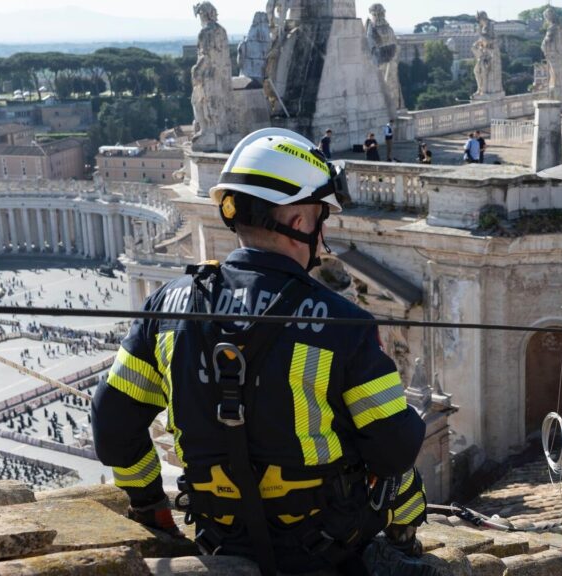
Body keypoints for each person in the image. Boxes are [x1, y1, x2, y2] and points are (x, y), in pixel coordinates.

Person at [92, 128, 429, 576]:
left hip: (220, 540)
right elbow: (394, 450)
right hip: (328, 551)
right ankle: (405, 542)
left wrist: (150, 505)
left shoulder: (169, 305)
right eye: (319, 218)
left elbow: (112, 422)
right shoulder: (344, 322)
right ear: (298, 223)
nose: (322, 231)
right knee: (392, 438)